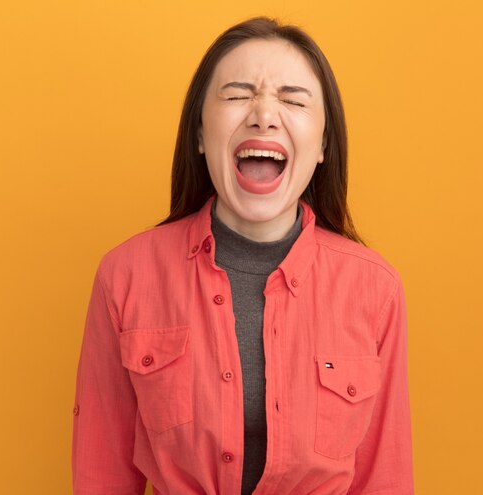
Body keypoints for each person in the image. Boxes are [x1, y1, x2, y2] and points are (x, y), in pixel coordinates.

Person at [72, 16, 414, 495]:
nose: (264, 115)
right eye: (237, 95)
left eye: (293, 99)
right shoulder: (125, 275)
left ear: (322, 146)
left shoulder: (376, 290)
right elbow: (101, 474)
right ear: (198, 134)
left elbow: (385, 479)